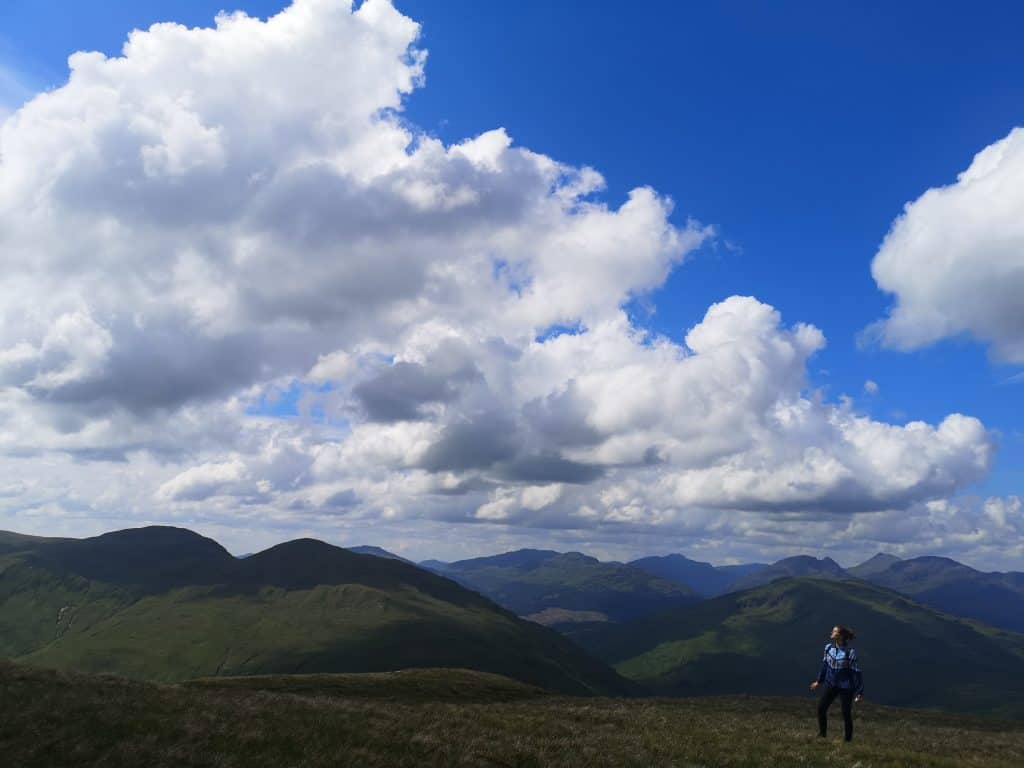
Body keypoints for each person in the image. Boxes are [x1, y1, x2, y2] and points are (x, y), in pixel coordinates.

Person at [809, 625, 863, 741]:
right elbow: (824, 666)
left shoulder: (850, 652)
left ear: (841, 636)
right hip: (831, 684)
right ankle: (822, 734)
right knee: (821, 708)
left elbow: (856, 672)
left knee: (846, 713)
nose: (831, 633)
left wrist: (860, 692)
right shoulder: (828, 648)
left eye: (834, 631)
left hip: (846, 687)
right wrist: (819, 681)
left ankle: (848, 741)